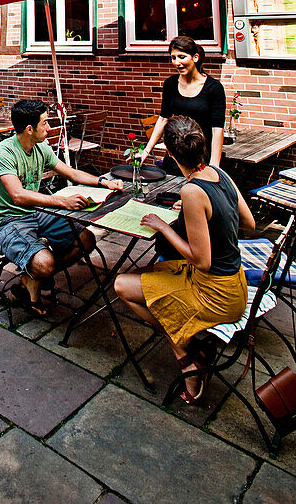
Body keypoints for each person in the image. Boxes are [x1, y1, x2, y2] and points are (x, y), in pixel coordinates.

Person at [115, 115, 253, 403]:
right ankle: (192, 345)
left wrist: (164, 226)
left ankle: (187, 360)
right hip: (235, 284)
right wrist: (202, 216)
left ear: (170, 153)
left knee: (120, 286)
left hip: (214, 294)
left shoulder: (192, 190)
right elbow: (248, 222)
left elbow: (201, 261)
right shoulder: (219, 173)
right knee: (151, 270)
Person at [0, 99, 123, 315]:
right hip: (5, 221)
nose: (49, 128)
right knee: (44, 263)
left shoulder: (40, 147)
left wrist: (103, 182)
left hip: (35, 214)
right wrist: (62, 201)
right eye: (45, 123)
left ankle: (31, 279)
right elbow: (18, 196)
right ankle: (37, 275)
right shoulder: (4, 152)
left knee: (86, 239)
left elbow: (70, 172)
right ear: (30, 129)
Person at [140, 35, 226, 171]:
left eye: (181, 57)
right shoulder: (170, 84)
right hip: (176, 157)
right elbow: (163, 118)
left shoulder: (214, 88)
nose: (176, 62)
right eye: (173, 58)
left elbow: (217, 130)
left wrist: (215, 167)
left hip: (202, 158)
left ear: (195, 58)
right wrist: (146, 151)